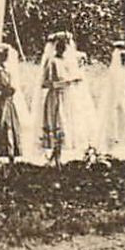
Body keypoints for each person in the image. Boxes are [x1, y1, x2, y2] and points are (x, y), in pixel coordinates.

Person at [42, 32, 95, 164]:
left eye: (64, 47)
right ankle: (56, 156)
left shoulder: (68, 61)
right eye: (60, 47)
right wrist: (67, 82)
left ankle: (59, 156)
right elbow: (45, 83)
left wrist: (75, 79)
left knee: (69, 123)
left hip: (68, 96)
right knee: (58, 122)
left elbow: (74, 75)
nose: (62, 49)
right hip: (56, 96)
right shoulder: (52, 62)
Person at [99, 41, 125, 161]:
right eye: (121, 57)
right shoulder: (114, 72)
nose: (123, 59)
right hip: (116, 102)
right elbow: (113, 91)